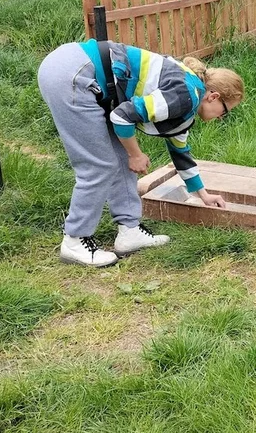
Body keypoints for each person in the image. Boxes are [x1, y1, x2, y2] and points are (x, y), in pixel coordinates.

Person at [37, 39, 244, 266]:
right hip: (73, 73)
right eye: (225, 112)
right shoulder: (186, 95)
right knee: (98, 165)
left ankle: (130, 231)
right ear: (213, 97)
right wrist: (136, 154)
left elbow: (180, 152)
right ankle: (75, 240)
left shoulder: (187, 97)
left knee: (120, 158)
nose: (221, 117)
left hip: (76, 70)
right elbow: (121, 116)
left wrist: (203, 194)